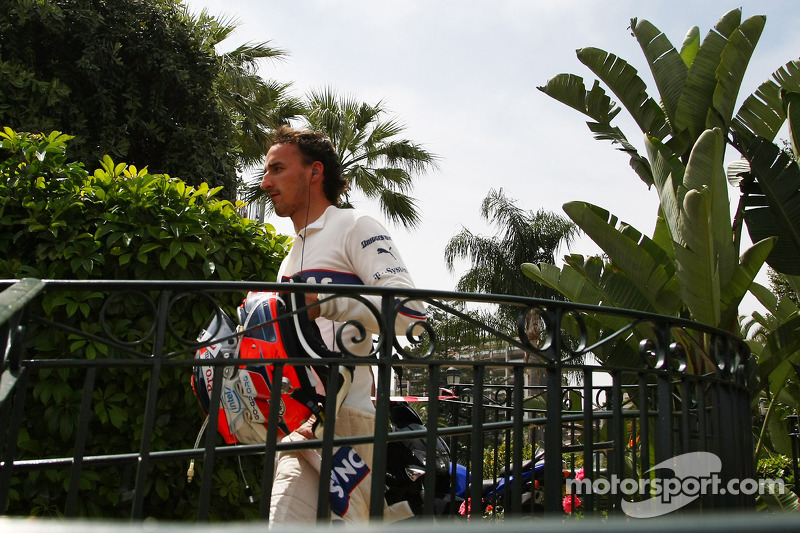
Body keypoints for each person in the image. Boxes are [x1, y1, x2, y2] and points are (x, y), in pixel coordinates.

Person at [260, 125, 426, 524]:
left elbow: (411, 314)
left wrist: (327, 303)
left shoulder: (354, 225)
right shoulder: (290, 256)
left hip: (348, 417)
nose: (265, 183)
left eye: (276, 169)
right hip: (300, 421)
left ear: (314, 172)